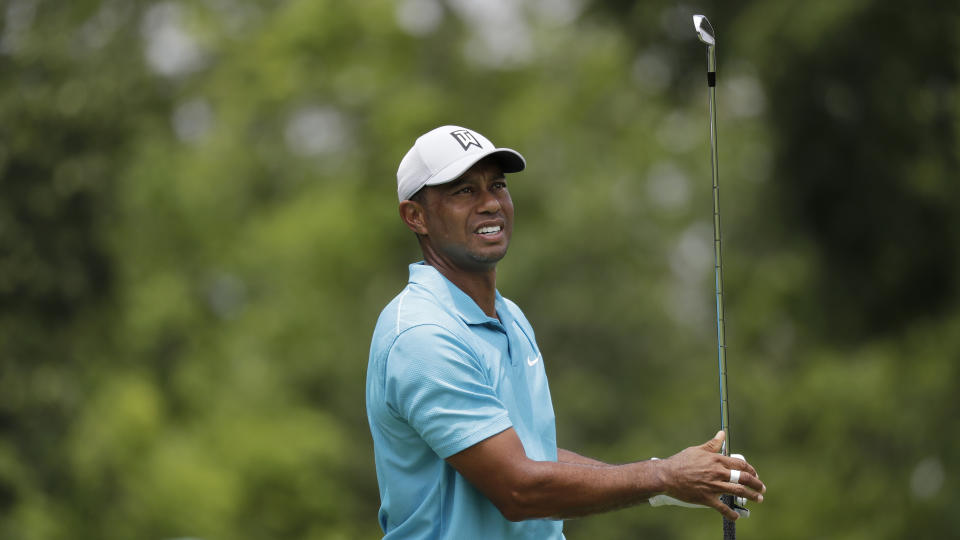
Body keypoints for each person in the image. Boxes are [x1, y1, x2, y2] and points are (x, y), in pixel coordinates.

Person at [366, 125, 765, 539]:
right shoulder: (422, 335)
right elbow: (517, 487)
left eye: (497, 186)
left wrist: (669, 486)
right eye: (464, 191)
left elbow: (531, 454)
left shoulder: (509, 315)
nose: (490, 204)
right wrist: (662, 476)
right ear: (415, 217)